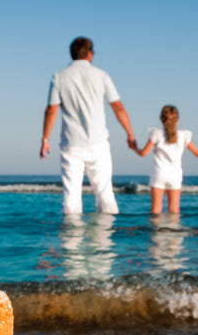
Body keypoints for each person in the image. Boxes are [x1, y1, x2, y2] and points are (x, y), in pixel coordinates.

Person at [41, 37, 136, 214]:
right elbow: (118, 107)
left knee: (71, 196)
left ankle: (70, 240)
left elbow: (51, 110)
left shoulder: (59, 77)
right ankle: (105, 240)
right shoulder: (101, 75)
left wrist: (45, 139)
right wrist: (130, 134)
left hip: (71, 144)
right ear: (90, 54)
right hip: (98, 142)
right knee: (105, 193)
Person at [132, 104, 198, 214]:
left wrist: (134, 148)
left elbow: (143, 153)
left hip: (159, 173)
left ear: (161, 119)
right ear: (178, 120)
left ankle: (156, 231)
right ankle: (173, 230)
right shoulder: (183, 136)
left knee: (156, 210)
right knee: (174, 210)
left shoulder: (156, 134)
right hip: (175, 175)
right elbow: (197, 153)